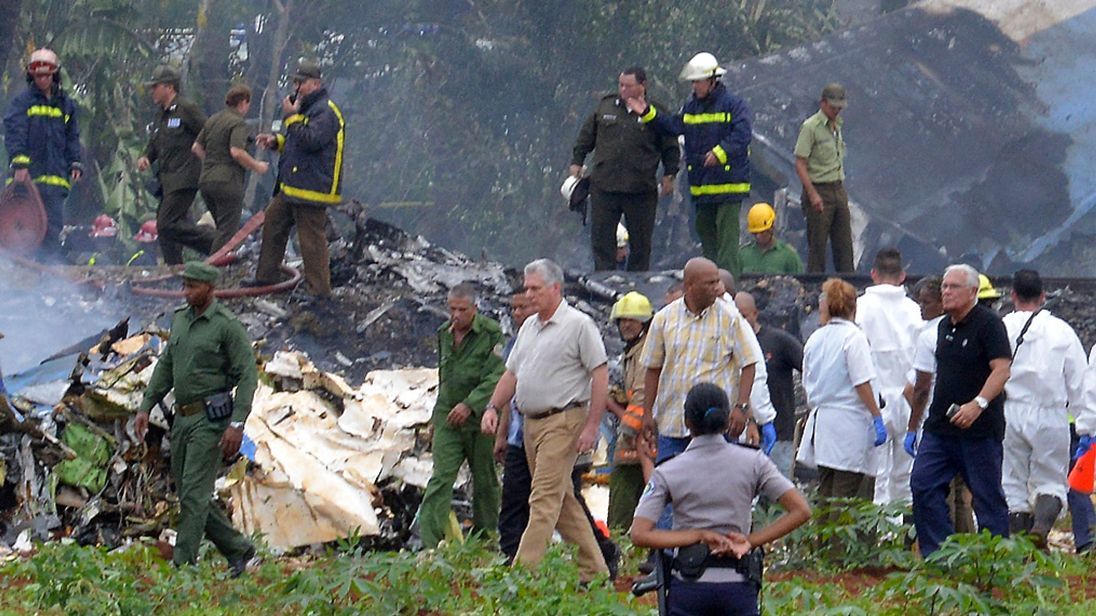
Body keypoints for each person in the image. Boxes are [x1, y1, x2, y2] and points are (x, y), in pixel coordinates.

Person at [631, 382, 811, 615]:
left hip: (689, 588)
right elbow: (801, 510)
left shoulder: (669, 470)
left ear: (687, 422)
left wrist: (697, 535)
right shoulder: (754, 462)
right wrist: (751, 541)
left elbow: (640, 533)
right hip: (738, 586)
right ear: (727, 421)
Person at [480, 259, 609, 581]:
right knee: (561, 501)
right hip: (531, 425)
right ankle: (595, 570)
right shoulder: (529, 327)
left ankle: (521, 576)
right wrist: (493, 407)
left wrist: (592, 426)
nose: (529, 294)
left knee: (542, 499)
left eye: (535, 288)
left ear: (555, 288)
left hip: (563, 421)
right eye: (527, 288)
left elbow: (600, 374)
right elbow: (511, 374)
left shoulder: (578, 325)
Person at [134, 262, 257, 574]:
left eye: (192, 287)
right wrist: (146, 405)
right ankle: (239, 549)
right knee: (192, 493)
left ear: (210, 288)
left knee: (193, 494)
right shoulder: (180, 320)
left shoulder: (226, 326)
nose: (186, 292)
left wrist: (237, 424)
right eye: (184, 286)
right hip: (182, 419)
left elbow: (248, 375)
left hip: (211, 421)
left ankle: (183, 568)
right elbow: (166, 365)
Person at [906, 264, 1011, 556]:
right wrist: (915, 425)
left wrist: (978, 404)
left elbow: (1002, 370)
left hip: (979, 430)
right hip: (940, 427)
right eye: (944, 286)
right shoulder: (943, 327)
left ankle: (995, 561)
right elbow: (925, 381)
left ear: (973, 291)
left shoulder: (989, 325)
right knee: (923, 484)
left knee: (986, 497)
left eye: (953, 287)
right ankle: (941, 554)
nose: (946, 292)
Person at [625, 52, 752, 276]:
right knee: (706, 238)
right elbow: (673, 126)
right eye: (693, 82)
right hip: (702, 187)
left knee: (727, 243)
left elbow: (742, 135)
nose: (694, 87)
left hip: (729, 187)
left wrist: (720, 153)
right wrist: (647, 113)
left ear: (713, 81)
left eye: (698, 82)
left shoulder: (733, 105)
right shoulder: (692, 107)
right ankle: (712, 283)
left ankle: (729, 286)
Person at [642, 258, 759, 468]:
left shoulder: (730, 318)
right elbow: (653, 368)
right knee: (672, 485)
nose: (717, 288)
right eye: (710, 283)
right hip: (673, 426)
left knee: (717, 485)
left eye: (717, 281)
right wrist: (647, 413)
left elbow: (749, 364)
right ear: (689, 286)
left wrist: (741, 408)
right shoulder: (663, 319)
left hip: (716, 429)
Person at [1000, 270, 1088, 547]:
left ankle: (1021, 547)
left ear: (1013, 295)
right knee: (1051, 480)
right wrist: (1085, 423)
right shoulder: (1061, 331)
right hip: (1050, 414)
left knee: (1012, 483)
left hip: (1009, 412)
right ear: (1043, 295)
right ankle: (1040, 527)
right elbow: (1079, 382)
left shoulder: (1001, 327)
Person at [418, 284, 504, 549]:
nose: (456, 315)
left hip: (479, 418)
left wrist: (470, 405)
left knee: (484, 480)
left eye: (462, 310)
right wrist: (436, 418)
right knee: (441, 476)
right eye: (452, 309)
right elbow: (444, 378)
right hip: (448, 416)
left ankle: (485, 539)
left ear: (474, 308)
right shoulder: (444, 334)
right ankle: (430, 542)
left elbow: (496, 376)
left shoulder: (490, 333)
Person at [570, 67, 680, 271]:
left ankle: (638, 283)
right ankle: (604, 279)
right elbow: (586, 136)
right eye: (621, 85)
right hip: (605, 186)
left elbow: (670, 147)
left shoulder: (656, 112)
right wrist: (577, 161)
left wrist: (669, 174)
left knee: (641, 244)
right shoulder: (606, 107)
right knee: (602, 241)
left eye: (628, 86)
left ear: (643, 86)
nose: (623, 90)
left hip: (640, 189)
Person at [252, 60, 345, 297]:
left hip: (312, 188)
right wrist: (276, 142)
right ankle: (265, 278)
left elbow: (312, 141)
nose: (297, 87)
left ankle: (319, 292)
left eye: (301, 83)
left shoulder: (326, 111)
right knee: (273, 222)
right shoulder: (306, 109)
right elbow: (298, 144)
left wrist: (291, 117)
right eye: (295, 82)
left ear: (316, 84)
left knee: (311, 241)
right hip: (293, 186)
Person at [797, 278, 886, 501]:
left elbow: (807, 383)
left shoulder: (815, 338)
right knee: (846, 498)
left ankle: (821, 527)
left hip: (823, 426)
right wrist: (877, 416)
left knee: (826, 494)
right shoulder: (854, 338)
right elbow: (862, 382)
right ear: (853, 306)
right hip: (850, 426)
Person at [906, 276, 976, 534]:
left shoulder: (929, 335)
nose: (921, 308)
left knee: (937, 487)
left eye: (926, 302)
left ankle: (942, 545)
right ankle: (966, 544)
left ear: (941, 303)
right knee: (962, 492)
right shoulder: (967, 329)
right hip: (964, 417)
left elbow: (917, 388)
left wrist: (913, 426)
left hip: (935, 423)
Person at [855, 248, 922, 506]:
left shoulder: (860, 308)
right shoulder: (915, 310)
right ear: (902, 275)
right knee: (905, 477)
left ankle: (881, 527)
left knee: (877, 476)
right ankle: (904, 526)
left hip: (874, 401)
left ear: (873, 274)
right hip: (909, 398)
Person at [3, 48, 83, 258]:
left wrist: (75, 162)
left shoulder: (66, 105)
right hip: (28, 181)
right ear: (32, 76)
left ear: (54, 75)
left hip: (56, 181)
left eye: (46, 75)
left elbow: (72, 137)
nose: (42, 80)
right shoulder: (23, 103)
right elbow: (15, 132)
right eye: (38, 76)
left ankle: (46, 273)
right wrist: (20, 164)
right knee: (24, 231)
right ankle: (22, 272)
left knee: (52, 230)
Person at [136, 65, 213, 265]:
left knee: (165, 223)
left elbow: (209, 132)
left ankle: (216, 245)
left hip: (184, 178)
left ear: (169, 87)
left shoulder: (186, 109)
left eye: (156, 87)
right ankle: (175, 271)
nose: (152, 91)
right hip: (166, 182)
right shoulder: (160, 115)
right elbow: (155, 142)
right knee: (167, 231)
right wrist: (146, 157)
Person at [191, 84, 270, 253]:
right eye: (248, 104)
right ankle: (214, 267)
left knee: (221, 229)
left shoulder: (213, 120)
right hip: (227, 183)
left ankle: (213, 262)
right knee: (227, 233)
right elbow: (236, 152)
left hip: (206, 181)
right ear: (243, 103)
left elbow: (196, 147)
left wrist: (212, 162)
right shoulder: (238, 122)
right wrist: (257, 166)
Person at [736, 291, 803, 480]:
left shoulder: (778, 341)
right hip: (744, 432)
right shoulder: (732, 344)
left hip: (779, 430)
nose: (741, 322)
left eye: (744, 316)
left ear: (755, 313)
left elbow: (809, 368)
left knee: (778, 486)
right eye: (737, 317)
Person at [605, 292, 654, 531]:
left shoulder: (645, 353)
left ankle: (621, 539)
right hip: (638, 440)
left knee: (624, 502)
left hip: (637, 439)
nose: (626, 325)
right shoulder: (634, 351)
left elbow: (642, 397)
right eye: (622, 320)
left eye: (632, 320)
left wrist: (625, 425)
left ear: (643, 323)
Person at [794, 83, 852, 273]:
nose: (836, 111)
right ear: (823, 103)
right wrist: (812, 194)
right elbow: (800, 163)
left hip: (838, 187)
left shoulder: (837, 125)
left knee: (844, 245)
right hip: (819, 189)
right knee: (818, 246)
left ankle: (848, 283)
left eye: (839, 108)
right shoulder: (811, 127)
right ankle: (815, 284)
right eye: (833, 107)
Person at [739, 203, 803, 275]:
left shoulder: (789, 257)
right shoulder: (742, 255)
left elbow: (799, 280)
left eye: (762, 232)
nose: (758, 236)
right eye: (755, 233)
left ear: (772, 228)